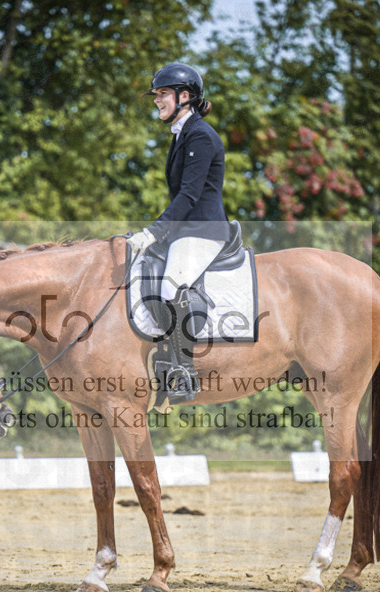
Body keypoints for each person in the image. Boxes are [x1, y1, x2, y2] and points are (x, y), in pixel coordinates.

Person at [126, 63, 232, 403]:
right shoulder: (182, 134)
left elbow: (189, 195)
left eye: (162, 94)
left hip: (204, 230)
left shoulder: (200, 135)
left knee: (172, 285)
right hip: (186, 229)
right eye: (156, 95)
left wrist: (154, 232)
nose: (156, 100)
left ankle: (183, 371)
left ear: (184, 96)